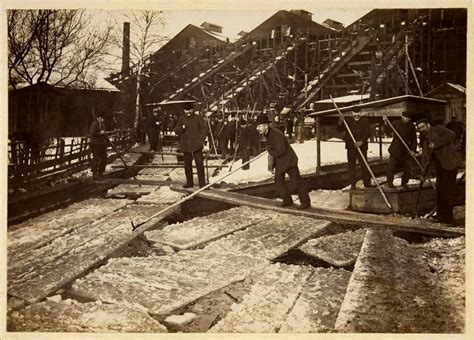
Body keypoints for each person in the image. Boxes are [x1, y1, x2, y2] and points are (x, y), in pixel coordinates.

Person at [255, 113, 311, 209]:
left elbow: (281, 150)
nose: (257, 128)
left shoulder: (275, 134)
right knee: (279, 181)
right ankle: (287, 200)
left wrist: (270, 149)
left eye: (259, 126)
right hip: (281, 162)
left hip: (289, 161)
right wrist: (272, 165)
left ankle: (305, 202)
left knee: (297, 182)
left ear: (265, 126)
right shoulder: (268, 134)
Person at [416, 118, 462, 223]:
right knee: (440, 189)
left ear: (428, 125)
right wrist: (424, 174)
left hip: (450, 163)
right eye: (419, 128)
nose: (421, 129)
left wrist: (436, 144)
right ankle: (441, 214)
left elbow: (452, 134)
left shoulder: (438, 129)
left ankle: (448, 216)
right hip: (440, 166)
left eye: (423, 126)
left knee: (447, 189)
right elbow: (428, 159)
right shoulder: (425, 139)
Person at [173, 102, 208, 188]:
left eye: (189, 110)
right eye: (186, 110)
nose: (188, 112)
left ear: (193, 109)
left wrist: (201, 140)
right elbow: (176, 130)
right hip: (186, 146)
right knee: (187, 165)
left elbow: (204, 129)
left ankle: (202, 183)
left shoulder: (198, 118)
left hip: (197, 145)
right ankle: (189, 183)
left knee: (199, 164)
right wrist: (182, 128)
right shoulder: (182, 119)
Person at [337, 108, 373, 189]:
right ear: (352, 112)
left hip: (362, 146)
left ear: (361, 112)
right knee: (351, 166)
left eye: (358, 112)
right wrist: (340, 122)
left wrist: (361, 142)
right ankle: (352, 184)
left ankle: (367, 183)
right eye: (354, 112)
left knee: (364, 164)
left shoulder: (365, 121)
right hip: (351, 146)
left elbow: (367, 133)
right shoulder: (348, 121)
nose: (356, 114)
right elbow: (339, 129)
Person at [386, 112, 417, 189]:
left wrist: (413, 150)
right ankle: (390, 183)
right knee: (391, 167)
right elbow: (387, 131)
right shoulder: (395, 123)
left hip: (406, 150)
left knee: (408, 168)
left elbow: (414, 139)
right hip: (395, 149)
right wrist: (385, 122)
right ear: (402, 116)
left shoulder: (411, 126)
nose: (407, 119)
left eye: (409, 118)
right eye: (406, 117)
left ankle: (404, 183)